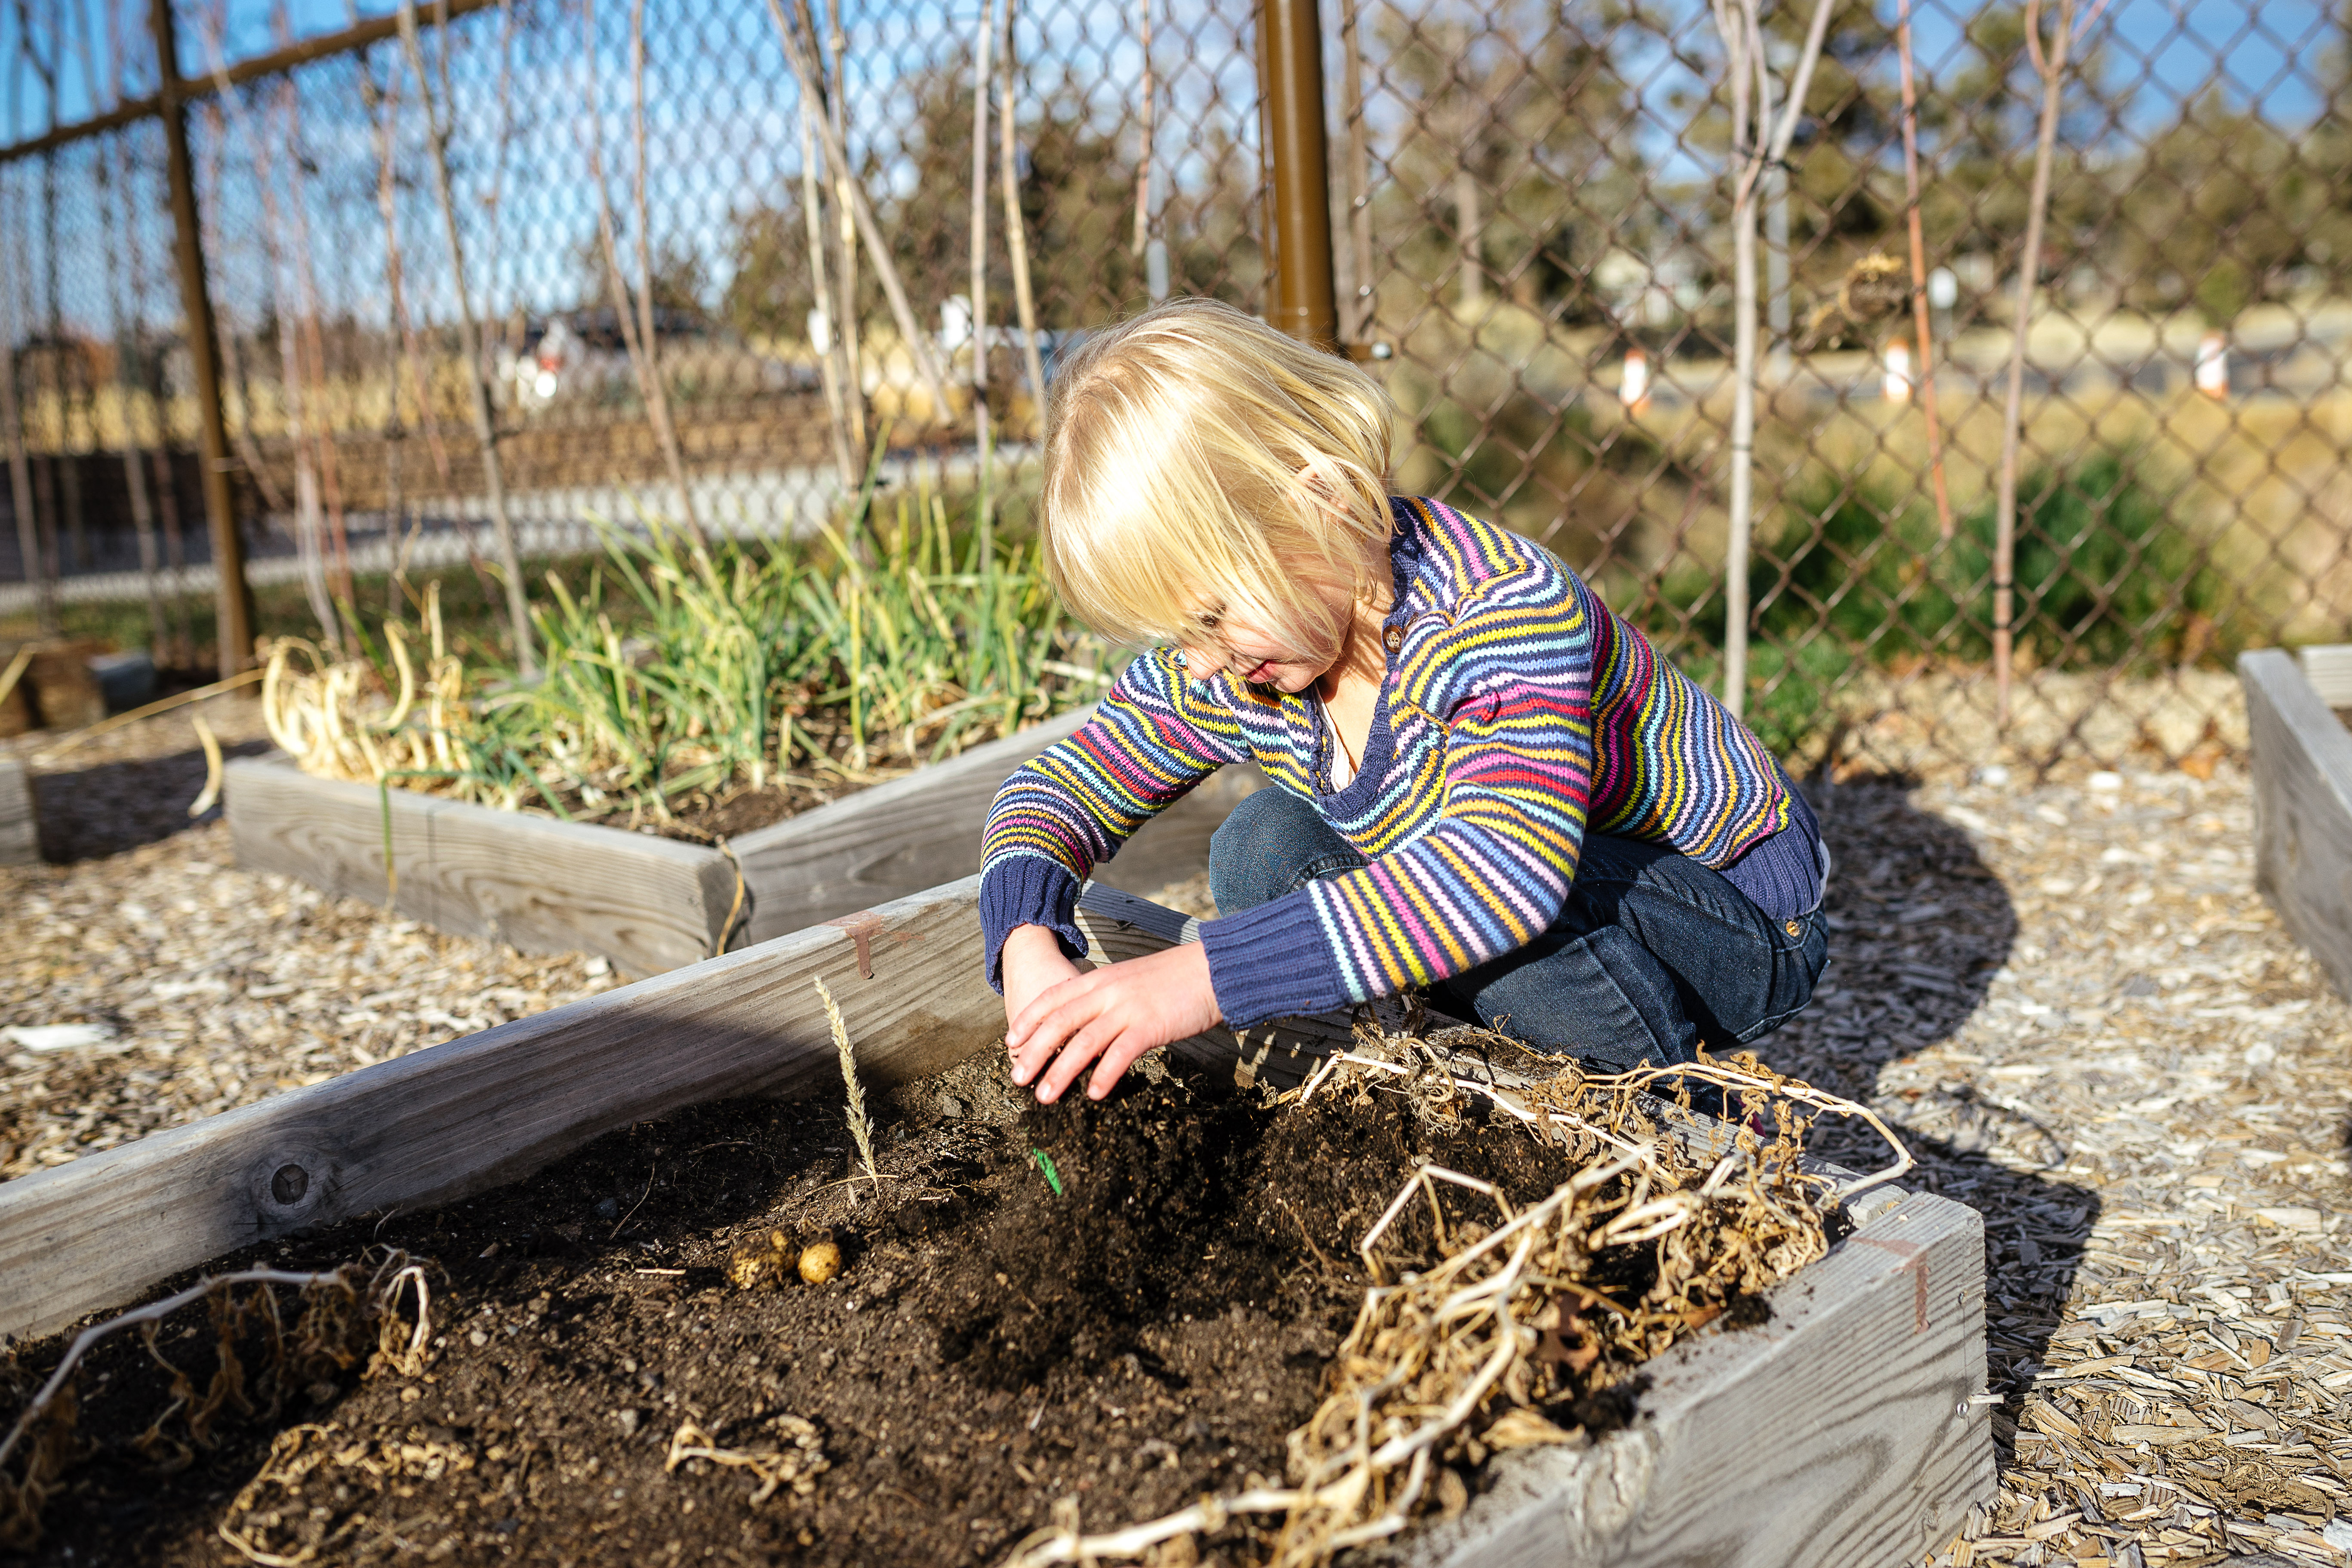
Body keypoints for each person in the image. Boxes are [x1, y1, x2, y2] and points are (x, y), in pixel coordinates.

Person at [982, 298, 1829, 1105]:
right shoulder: (1240, 658)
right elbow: (1059, 786)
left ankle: (1678, 1102)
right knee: (1261, 845)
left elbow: (1501, 871)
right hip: (1525, 880)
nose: (1198, 665)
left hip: (1728, 919)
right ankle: (1445, 1062)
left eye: (1207, 616)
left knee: (1482, 899)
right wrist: (1027, 936)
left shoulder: (1498, 611)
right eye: (1174, 637)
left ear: (1322, 502)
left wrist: (1204, 975)